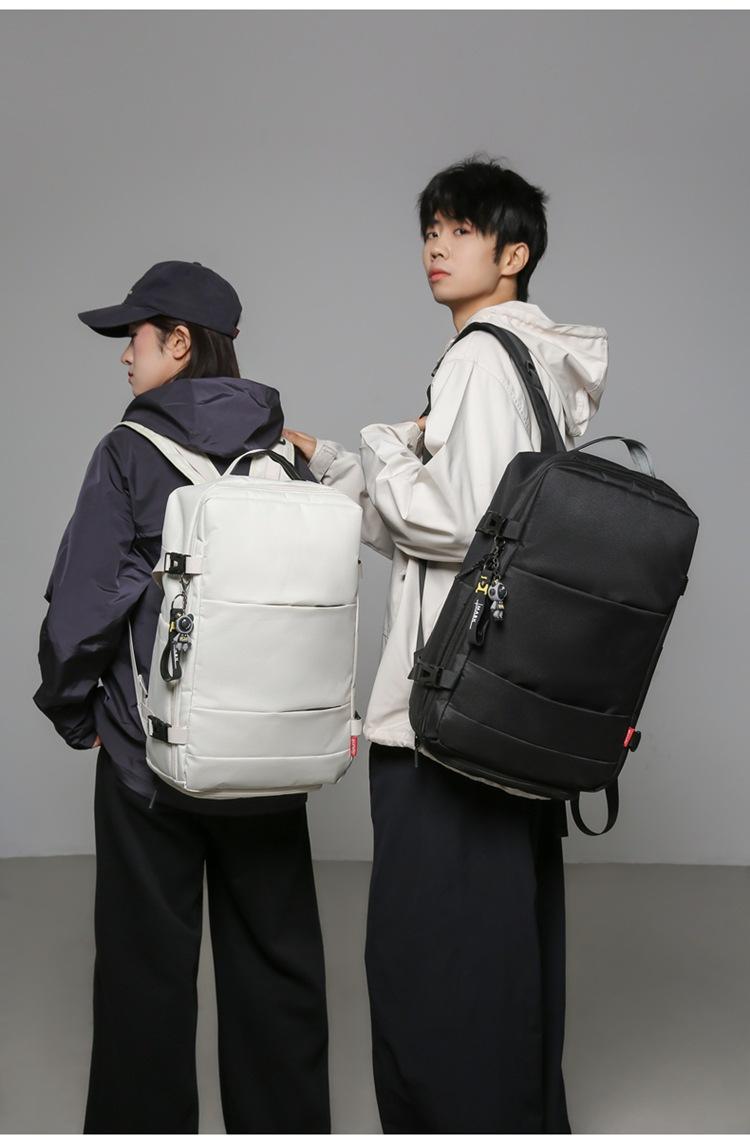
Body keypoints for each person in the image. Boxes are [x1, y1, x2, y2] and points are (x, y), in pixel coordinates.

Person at [285, 155, 609, 1133]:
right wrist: (337, 467)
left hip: (444, 713)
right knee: (500, 942)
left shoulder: (477, 359)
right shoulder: (536, 368)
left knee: (430, 955)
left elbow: (458, 522)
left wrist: (385, 444)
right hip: (510, 705)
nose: (436, 244)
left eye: (461, 229)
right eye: (431, 228)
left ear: (513, 254)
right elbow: (463, 529)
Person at [34, 260, 331, 1134]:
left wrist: (76, 712)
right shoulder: (285, 456)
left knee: (145, 977)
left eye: (133, 337)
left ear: (178, 342)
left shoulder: (128, 452)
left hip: (149, 762)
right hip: (269, 758)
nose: (124, 356)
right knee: (277, 971)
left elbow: (82, 606)